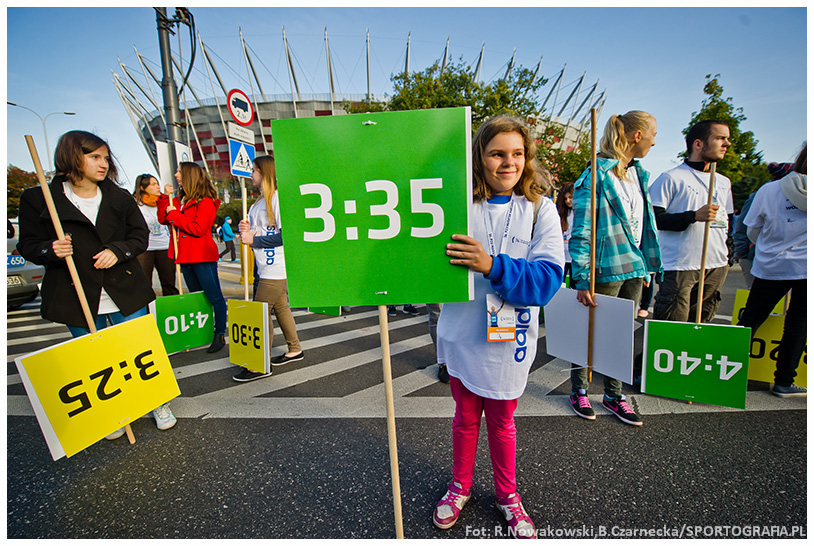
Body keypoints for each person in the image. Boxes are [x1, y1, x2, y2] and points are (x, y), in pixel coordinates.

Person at [433, 116, 564, 537]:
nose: (508, 163)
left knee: (503, 422)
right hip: (461, 331)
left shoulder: (540, 209)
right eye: (497, 154)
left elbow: (545, 281)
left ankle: (508, 495)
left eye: (517, 154)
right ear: (479, 158)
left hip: (510, 338)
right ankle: (460, 487)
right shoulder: (456, 205)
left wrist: (491, 265)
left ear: (527, 158)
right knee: (464, 417)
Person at [17, 130, 176, 435]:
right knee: (95, 357)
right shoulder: (39, 198)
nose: (103, 164)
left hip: (123, 288)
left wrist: (117, 251)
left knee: (138, 350)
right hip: (75, 291)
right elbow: (28, 244)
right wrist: (49, 249)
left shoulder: (117, 196)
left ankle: (157, 400)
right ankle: (114, 412)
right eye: (94, 157)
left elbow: (138, 236)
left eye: (105, 157)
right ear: (72, 157)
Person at [567, 111, 662, 426]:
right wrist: (581, 278)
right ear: (637, 136)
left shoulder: (639, 175)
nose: (654, 141)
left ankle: (613, 395)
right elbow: (580, 231)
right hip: (604, 268)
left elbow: (643, 225)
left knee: (620, 335)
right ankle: (579, 389)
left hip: (633, 267)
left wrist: (646, 266)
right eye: (652, 134)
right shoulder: (596, 175)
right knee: (589, 331)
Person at [737, 145, 807, 397]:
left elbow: (751, 228)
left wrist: (770, 243)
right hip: (807, 267)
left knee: (750, 320)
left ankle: (724, 372)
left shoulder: (770, 190)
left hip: (771, 265)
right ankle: (784, 381)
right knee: (798, 324)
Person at [649, 120, 734, 323]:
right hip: (680, 265)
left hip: (716, 265)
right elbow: (654, 221)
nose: (727, 144)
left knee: (700, 329)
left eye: (727, 139)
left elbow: (727, 221)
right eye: (720, 138)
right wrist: (693, 216)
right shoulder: (671, 177)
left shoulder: (723, 181)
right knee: (672, 330)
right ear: (698, 144)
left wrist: (728, 254)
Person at [234, 154, 304, 382]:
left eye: (254, 170)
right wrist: (245, 228)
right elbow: (257, 230)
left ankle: (259, 364)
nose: (251, 174)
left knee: (260, 313)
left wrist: (255, 241)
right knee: (281, 307)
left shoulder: (277, 199)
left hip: (277, 267)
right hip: (265, 266)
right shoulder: (258, 202)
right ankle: (295, 349)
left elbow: (287, 236)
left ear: (264, 173)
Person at [158, 162, 228, 353]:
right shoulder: (180, 200)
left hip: (202, 256)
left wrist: (174, 215)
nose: (176, 174)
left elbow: (197, 228)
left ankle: (219, 333)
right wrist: (166, 198)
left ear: (189, 175)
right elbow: (163, 218)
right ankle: (203, 331)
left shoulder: (205, 201)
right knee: (198, 297)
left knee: (214, 296)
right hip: (185, 256)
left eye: (179, 171)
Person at [733, 162, 792, 288]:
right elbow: (743, 226)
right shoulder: (762, 194)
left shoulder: (797, 196)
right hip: (754, 256)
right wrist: (743, 254)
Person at [133, 174, 179, 296]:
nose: (157, 187)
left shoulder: (164, 201)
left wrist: (168, 197)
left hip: (164, 247)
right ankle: (146, 312)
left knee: (169, 283)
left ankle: (171, 312)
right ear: (142, 188)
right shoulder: (135, 205)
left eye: (157, 183)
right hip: (145, 249)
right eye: (153, 184)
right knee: (144, 284)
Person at [555, 183, 574, 285]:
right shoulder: (562, 214)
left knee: (573, 284)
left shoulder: (579, 213)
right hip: (562, 255)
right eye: (565, 198)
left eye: (570, 198)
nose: (568, 201)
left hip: (574, 256)